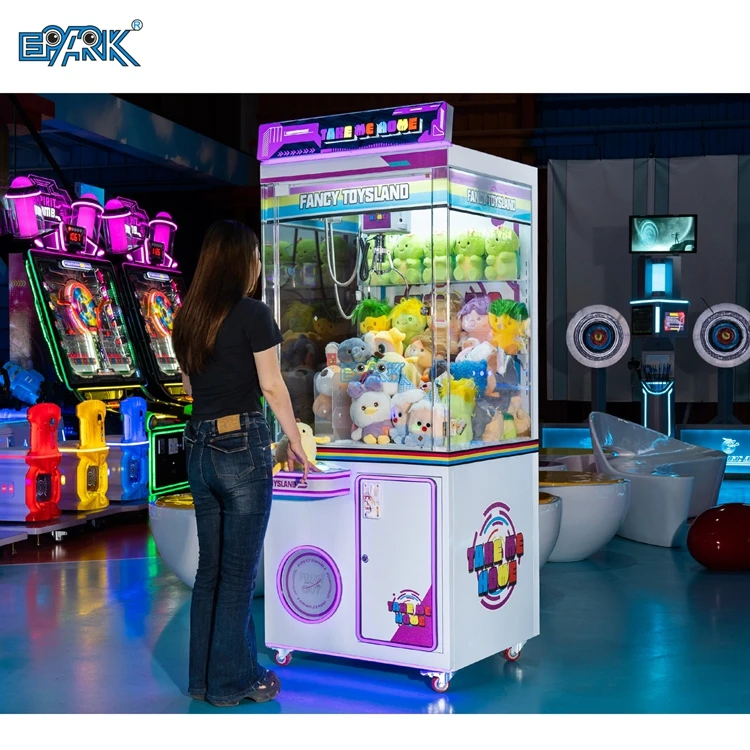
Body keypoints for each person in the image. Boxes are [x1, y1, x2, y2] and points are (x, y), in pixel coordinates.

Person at [173, 220, 310, 708]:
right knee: (237, 572)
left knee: (210, 569)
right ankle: (235, 681)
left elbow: (189, 388)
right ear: (242, 262)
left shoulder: (186, 317)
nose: (256, 265)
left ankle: (204, 679)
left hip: (198, 444)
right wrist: (294, 440)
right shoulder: (253, 313)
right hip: (240, 444)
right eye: (254, 256)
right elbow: (271, 385)